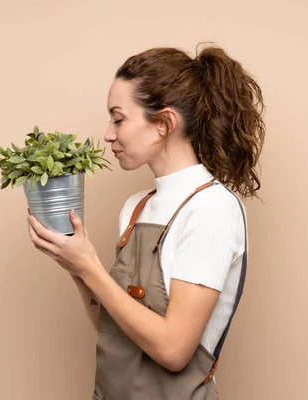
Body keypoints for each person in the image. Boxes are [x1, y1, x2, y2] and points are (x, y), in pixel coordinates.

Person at [27, 44, 265, 400]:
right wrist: (75, 266)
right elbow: (114, 332)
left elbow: (173, 350)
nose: (108, 134)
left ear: (164, 123)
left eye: (119, 118)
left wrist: (90, 266)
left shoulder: (212, 208)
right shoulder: (136, 207)